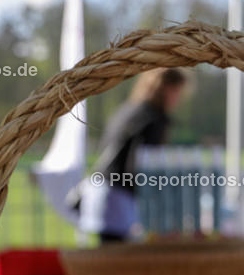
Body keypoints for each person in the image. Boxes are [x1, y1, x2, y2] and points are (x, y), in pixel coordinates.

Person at [78, 68, 188, 242]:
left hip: (103, 193)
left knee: (110, 255)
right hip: (120, 200)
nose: (179, 99)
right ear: (167, 89)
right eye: (177, 92)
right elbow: (142, 169)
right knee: (121, 261)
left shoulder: (129, 109)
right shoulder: (152, 119)